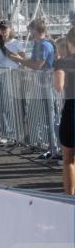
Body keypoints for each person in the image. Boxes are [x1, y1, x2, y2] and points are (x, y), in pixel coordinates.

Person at [53, 27, 75, 195]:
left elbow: (58, 87)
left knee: (68, 158)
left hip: (71, 110)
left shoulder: (64, 62)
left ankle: (70, 196)